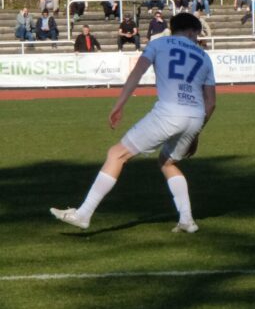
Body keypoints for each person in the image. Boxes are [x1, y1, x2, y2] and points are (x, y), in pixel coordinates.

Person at [51, 13, 216, 232]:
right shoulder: (204, 57)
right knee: (167, 162)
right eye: (197, 34)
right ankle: (186, 220)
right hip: (195, 116)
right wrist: (196, 133)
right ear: (191, 31)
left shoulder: (159, 44)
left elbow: (136, 75)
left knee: (116, 154)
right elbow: (211, 102)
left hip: (169, 112)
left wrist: (119, 105)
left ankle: (83, 214)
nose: (197, 39)